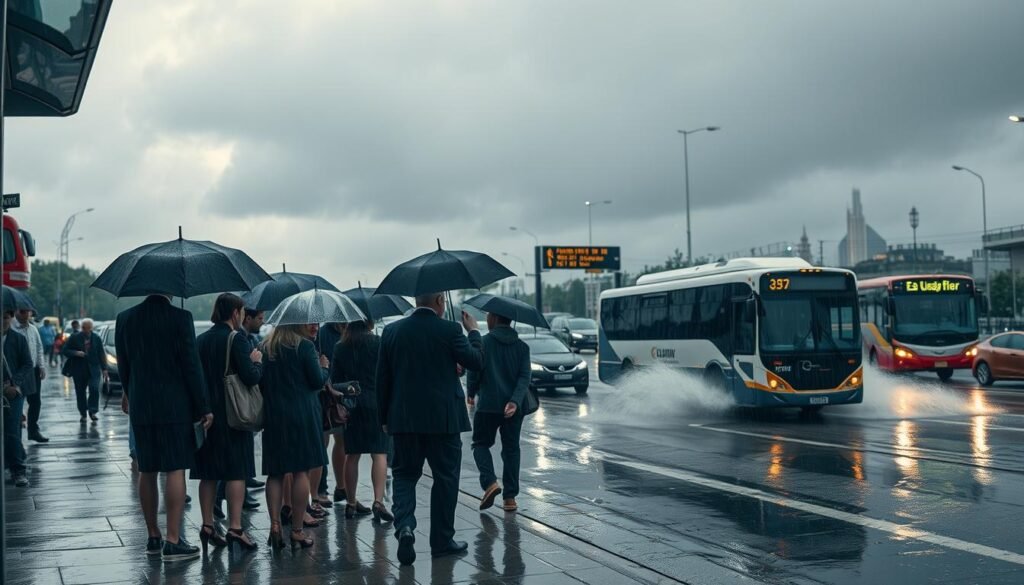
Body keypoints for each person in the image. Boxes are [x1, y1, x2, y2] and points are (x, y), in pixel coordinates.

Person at [376, 292, 483, 565]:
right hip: (443, 421)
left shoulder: (391, 331)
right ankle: (442, 541)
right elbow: (476, 361)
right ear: (438, 301)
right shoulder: (449, 329)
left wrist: (384, 418)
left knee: (404, 475)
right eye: (443, 301)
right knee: (446, 478)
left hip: (404, 420)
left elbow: (382, 379)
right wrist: (474, 333)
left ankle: (406, 527)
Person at [116, 295, 211, 562]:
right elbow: (192, 366)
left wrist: (129, 393)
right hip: (174, 404)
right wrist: (204, 406)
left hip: (142, 404)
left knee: (146, 469)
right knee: (174, 468)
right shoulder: (181, 318)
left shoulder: (125, 318)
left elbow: (123, 365)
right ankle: (173, 539)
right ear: (170, 291)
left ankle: (153, 536)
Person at [192, 294, 262, 553]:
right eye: (242, 311)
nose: (243, 316)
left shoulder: (200, 340)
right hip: (234, 415)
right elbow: (251, 377)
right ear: (235, 313)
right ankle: (235, 528)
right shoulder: (238, 339)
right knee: (236, 471)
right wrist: (257, 362)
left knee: (208, 473)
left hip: (207, 416)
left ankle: (208, 525)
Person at [260, 321, 330, 550]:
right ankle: (298, 531)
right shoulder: (305, 347)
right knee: (301, 471)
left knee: (276, 473)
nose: (314, 325)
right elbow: (317, 381)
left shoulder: (266, 348)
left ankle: (275, 526)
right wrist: (324, 367)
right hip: (302, 416)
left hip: (274, 417)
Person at [467, 312, 531, 513]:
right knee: (511, 449)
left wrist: (471, 392)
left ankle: (490, 483)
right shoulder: (522, 347)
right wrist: (514, 401)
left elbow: (474, 370)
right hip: (513, 408)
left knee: (480, 444)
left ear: (494, 319)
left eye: (488, 316)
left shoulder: (484, 343)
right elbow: (524, 377)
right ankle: (510, 498)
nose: (486, 318)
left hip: (487, 405)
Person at [331, 319, 393, 522]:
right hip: (376, 403)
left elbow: (334, 381)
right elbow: (388, 373)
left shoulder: (340, 347)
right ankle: (378, 501)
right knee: (380, 453)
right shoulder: (378, 342)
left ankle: (350, 502)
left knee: (353, 455)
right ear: (369, 321)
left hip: (352, 405)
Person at [3, 310, 34, 488]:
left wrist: (15, 384)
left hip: (12, 392)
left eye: (6, 318)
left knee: (11, 430)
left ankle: (18, 470)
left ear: (10, 318)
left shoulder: (18, 339)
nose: (3, 321)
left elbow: (27, 363)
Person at [315, 322, 345, 504]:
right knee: (323, 442)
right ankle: (320, 489)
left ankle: (341, 487)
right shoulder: (323, 333)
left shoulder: (349, 332)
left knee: (342, 441)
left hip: (342, 393)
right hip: (325, 392)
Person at [62, 318, 109, 423]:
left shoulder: (96, 338)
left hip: (94, 369)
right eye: (83, 328)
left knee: (94, 389)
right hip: (79, 369)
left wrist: (104, 369)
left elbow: (101, 353)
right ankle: (83, 413)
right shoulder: (74, 337)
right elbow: (65, 350)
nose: (85, 330)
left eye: (87, 328)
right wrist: (76, 353)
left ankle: (92, 411)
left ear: (91, 328)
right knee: (80, 392)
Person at [13, 309, 46, 442]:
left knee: (35, 401)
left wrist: (41, 366)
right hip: (17, 371)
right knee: (17, 401)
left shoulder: (33, 328)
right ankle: (16, 431)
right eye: (22, 312)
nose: (26, 314)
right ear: (16, 312)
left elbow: (39, 348)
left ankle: (33, 430)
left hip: (33, 370)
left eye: (28, 312)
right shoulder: (11, 328)